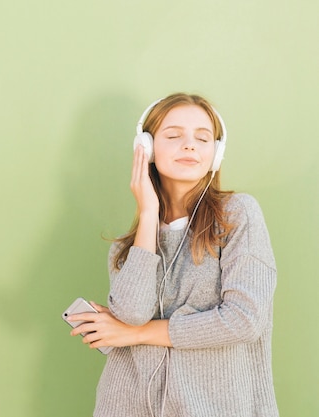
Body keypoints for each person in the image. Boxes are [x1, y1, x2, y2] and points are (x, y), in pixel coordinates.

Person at [66, 93, 278, 417]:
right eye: (174, 135)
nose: (190, 145)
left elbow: (244, 320)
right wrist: (148, 212)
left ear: (216, 153)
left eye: (202, 138)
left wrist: (136, 335)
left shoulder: (238, 215)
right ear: (147, 149)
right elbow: (133, 313)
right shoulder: (127, 250)